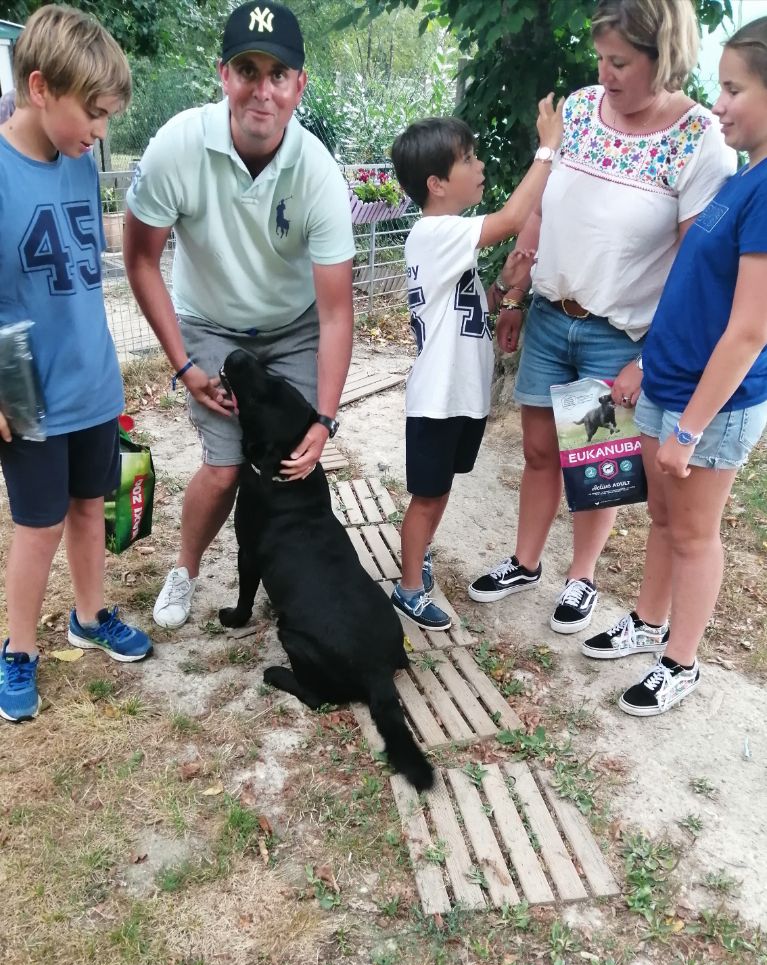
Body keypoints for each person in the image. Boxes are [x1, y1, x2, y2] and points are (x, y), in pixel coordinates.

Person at [468, 0, 736, 637]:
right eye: (601, 58)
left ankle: (581, 577)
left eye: (620, 61)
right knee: (538, 448)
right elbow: (542, 209)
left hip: (617, 334)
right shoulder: (584, 110)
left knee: (593, 465)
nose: (605, 72)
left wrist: (649, 359)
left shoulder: (702, 141)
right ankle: (525, 562)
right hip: (550, 315)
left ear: (662, 57)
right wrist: (514, 290)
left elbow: (691, 268)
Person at [123, 1, 355, 630]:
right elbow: (141, 260)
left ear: (299, 85)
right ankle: (186, 570)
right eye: (247, 71)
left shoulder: (318, 175)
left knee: (293, 463)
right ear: (222, 74)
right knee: (226, 469)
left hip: (295, 324)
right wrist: (184, 364)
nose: (262, 89)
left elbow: (337, 313)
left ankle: (293, 573)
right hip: (211, 326)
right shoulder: (177, 146)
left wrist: (326, 420)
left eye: (278, 74)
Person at [582, 16, 767, 717]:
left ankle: (680, 660)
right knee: (660, 517)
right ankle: (647, 621)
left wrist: (689, 430)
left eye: (733, 89)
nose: (717, 103)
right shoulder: (745, 176)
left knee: (693, 532)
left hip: (712, 403)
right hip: (668, 382)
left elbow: (748, 331)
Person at [0, 6, 152, 724]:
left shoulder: (82, 161)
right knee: (38, 527)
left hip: (92, 377)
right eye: (91, 115)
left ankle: (90, 616)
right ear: (39, 88)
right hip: (26, 390)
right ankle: (19, 650)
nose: (98, 132)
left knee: (91, 506)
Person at [389, 103, 563, 630]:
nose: (481, 165)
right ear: (438, 183)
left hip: (459, 396)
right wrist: (547, 149)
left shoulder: (445, 240)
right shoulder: (435, 233)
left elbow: (464, 312)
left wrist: (502, 287)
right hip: (438, 399)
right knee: (427, 496)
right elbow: (513, 219)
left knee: (440, 490)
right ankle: (409, 587)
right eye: (471, 158)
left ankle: (420, 560)